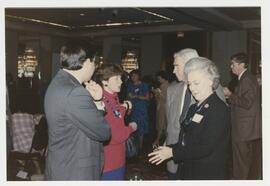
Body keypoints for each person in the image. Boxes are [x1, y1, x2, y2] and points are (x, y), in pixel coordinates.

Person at [148, 57, 230, 180]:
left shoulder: (218, 109)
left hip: (206, 173)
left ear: (210, 81)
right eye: (189, 84)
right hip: (188, 168)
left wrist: (172, 153)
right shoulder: (194, 107)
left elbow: (205, 147)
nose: (192, 88)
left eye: (196, 83)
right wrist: (170, 148)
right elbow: (186, 140)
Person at [44, 41, 111, 180]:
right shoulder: (75, 92)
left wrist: (95, 100)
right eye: (94, 63)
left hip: (61, 165)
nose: (95, 67)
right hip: (74, 171)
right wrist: (98, 103)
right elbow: (103, 132)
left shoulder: (58, 82)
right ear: (86, 62)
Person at [93, 63, 137, 180]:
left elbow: (116, 115)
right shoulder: (101, 101)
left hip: (119, 157)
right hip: (109, 162)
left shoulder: (113, 96)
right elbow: (114, 135)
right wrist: (132, 127)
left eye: (121, 78)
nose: (121, 81)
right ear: (104, 81)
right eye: (116, 78)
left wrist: (125, 107)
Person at [223, 52, 261, 179]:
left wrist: (230, 95)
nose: (231, 67)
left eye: (233, 64)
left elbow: (247, 103)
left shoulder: (247, 79)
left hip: (244, 131)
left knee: (241, 164)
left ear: (242, 65)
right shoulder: (246, 78)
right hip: (246, 130)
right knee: (245, 164)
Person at [127, 69, 150, 154]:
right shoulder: (130, 85)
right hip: (133, 109)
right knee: (133, 127)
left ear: (138, 76)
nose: (133, 77)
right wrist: (129, 107)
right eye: (131, 76)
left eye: (134, 75)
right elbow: (128, 98)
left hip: (142, 109)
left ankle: (140, 148)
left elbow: (148, 98)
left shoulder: (144, 85)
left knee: (141, 128)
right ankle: (133, 147)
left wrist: (137, 96)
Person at [152, 71, 170, 148]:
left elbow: (166, 99)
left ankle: (157, 140)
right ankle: (161, 141)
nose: (158, 80)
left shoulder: (167, 85)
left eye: (159, 79)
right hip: (160, 107)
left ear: (163, 78)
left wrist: (158, 92)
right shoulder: (162, 85)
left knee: (162, 124)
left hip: (164, 107)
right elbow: (157, 99)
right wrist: (156, 93)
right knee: (161, 124)